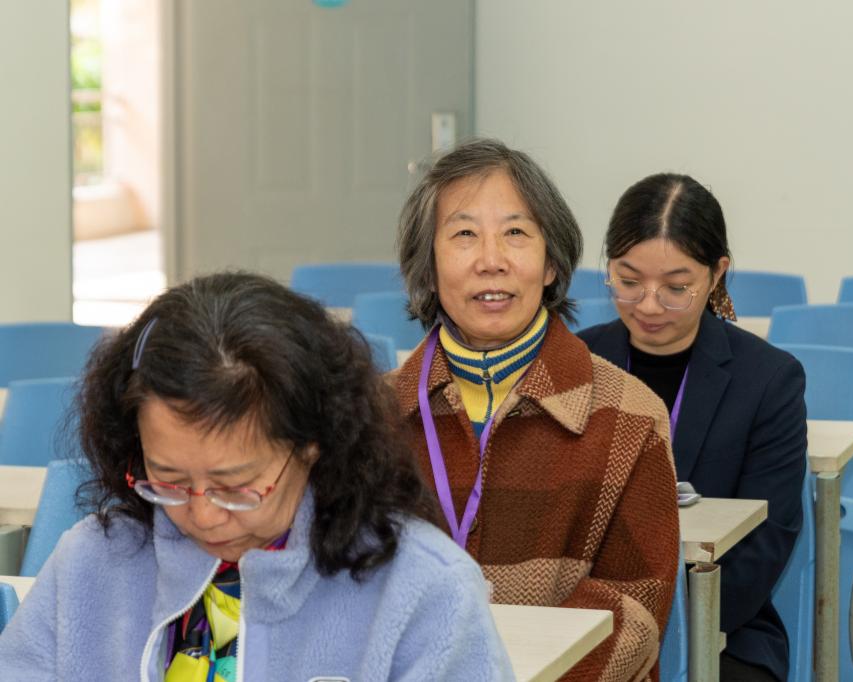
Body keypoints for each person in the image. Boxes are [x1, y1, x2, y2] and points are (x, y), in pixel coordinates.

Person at [0, 272, 513, 681]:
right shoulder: (91, 564)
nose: (203, 515)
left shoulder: (422, 588)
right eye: (168, 479)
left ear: (313, 443)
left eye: (236, 487)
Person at [392, 139, 680, 681]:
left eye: (516, 233)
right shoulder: (375, 417)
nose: (492, 261)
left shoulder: (629, 416)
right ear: (427, 267)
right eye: (464, 235)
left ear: (551, 264)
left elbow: (634, 610)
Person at [578, 173, 807, 682]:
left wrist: (663, 634)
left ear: (717, 273)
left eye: (676, 288)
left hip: (722, 624)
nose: (649, 305)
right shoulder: (575, 363)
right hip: (590, 622)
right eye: (628, 281)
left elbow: (764, 546)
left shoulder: (769, 380)